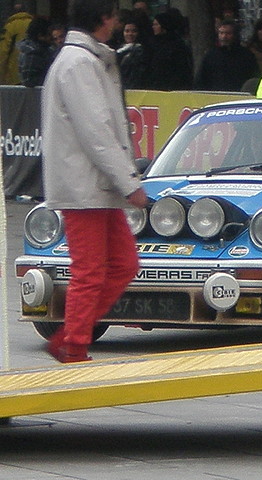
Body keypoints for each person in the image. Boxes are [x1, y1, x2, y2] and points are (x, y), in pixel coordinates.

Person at [41, 0, 148, 363]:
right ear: (104, 19)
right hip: (85, 185)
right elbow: (97, 131)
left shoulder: (84, 60)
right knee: (93, 269)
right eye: (115, 15)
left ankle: (72, 335)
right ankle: (73, 341)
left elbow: (98, 130)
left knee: (121, 264)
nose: (119, 22)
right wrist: (128, 181)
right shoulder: (80, 63)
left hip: (93, 185)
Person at [194, 19, 259, 92]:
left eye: (228, 33)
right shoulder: (211, 55)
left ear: (235, 35)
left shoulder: (246, 55)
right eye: (221, 33)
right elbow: (201, 79)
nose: (224, 36)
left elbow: (254, 77)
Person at [147, 10, 193, 91]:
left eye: (156, 24)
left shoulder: (176, 44)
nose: (153, 27)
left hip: (172, 86)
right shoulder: (153, 43)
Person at [0, 2, 33, 84]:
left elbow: (3, 51)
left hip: (14, 73)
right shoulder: (33, 23)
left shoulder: (9, 27)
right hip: (32, 71)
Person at [117, 11, 151, 89]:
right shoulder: (119, 49)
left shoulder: (141, 51)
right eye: (127, 31)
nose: (130, 34)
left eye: (134, 31)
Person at [18, 16, 53, 87]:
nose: (51, 37)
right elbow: (28, 80)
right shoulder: (33, 53)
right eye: (49, 34)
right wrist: (51, 79)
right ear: (40, 36)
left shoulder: (29, 49)